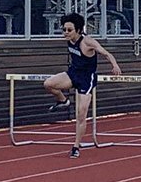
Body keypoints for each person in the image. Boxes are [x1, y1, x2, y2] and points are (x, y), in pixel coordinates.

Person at [43, 12, 122, 158]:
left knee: (81, 114)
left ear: (78, 30)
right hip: (73, 74)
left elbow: (106, 53)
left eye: (69, 30)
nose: (65, 33)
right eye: (64, 30)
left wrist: (115, 65)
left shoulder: (88, 42)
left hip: (86, 78)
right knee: (48, 84)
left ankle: (76, 146)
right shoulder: (69, 40)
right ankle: (63, 100)